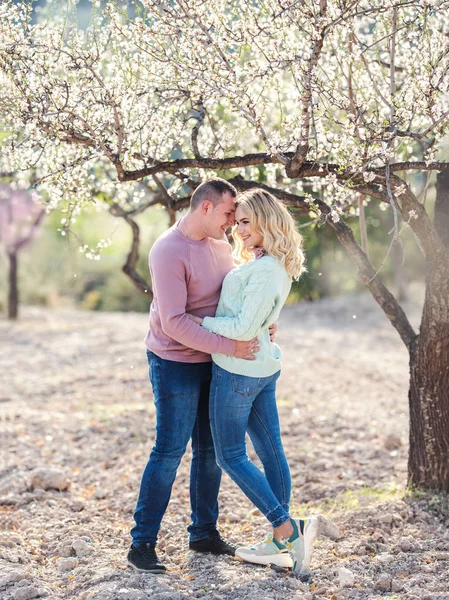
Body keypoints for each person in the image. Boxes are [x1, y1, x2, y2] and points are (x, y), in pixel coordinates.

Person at [186, 189, 340, 572]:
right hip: (262, 369)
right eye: (237, 222)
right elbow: (256, 317)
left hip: (238, 372)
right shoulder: (269, 262)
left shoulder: (267, 268)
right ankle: (280, 543)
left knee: (230, 456)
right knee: (271, 452)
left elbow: (241, 328)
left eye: (245, 222)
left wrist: (196, 321)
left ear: (266, 222)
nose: (238, 230)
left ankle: (288, 528)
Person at [127, 178, 265, 574]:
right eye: (227, 214)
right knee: (169, 450)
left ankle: (203, 533)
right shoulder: (167, 250)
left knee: (210, 452)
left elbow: (233, 299)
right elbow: (172, 322)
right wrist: (231, 347)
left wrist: (259, 325)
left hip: (215, 361)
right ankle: (142, 545)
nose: (232, 222)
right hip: (174, 362)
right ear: (205, 208)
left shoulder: (223, 245)